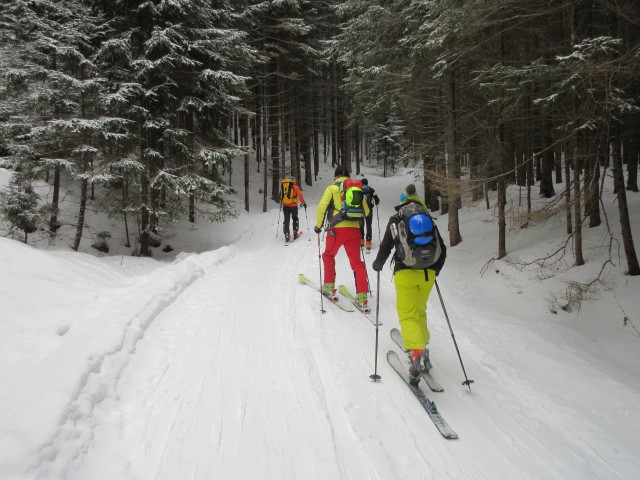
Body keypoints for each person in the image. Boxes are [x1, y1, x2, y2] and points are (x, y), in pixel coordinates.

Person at [371, 183, 446, 384]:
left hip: (406, 272)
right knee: (420, 310)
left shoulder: (396, 219)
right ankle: (422, 344)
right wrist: (434, 271)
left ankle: (418, 356)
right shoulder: (429, 218)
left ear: (403, 200)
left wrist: (378, 265)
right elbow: (443, 248)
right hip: (427, 273)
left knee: (407, 314)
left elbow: (386, 246)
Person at [314, 165, 370, 310]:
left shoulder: (332, 188)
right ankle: (362, 296)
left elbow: (322, 207)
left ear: (335, 176)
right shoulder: (356, 189)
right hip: (355, 230)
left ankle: (328, 286)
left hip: (336, 230)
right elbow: (367, 211)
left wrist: (318, 226)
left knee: (328, 255)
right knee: (357, 262)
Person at [280, 175, 306, 242]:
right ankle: (295, 233)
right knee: (295, 218)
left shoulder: (284, 186)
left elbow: (281, 196)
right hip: (293, 206)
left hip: (285, 206)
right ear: (292, 180)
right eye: (294, 180)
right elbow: (300, 195)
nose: (295, 181)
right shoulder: (295, 187)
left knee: (286, 220)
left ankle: (286, 234)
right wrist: (303, 202)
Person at [359, 178, 380, 252]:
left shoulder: (359, 189)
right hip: (369, 210)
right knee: (368, 225)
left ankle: (361, 241)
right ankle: (368, 242)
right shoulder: (371, 190)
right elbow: (377, 199)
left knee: (361, 225)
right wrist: (376, 202)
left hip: (360, 210)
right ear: (367, 183)